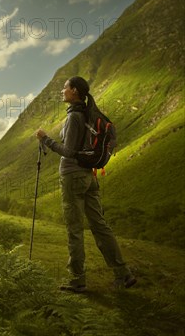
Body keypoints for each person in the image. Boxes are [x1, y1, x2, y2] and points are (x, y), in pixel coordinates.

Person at [34, 76, 136, 292]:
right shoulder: (87, 115)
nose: (62, 91)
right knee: (100, 226)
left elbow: (69, 152)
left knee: (75, 229)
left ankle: (77, 280)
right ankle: (123, 274)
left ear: (75, 91)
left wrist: (46, 140)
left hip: (73, 177)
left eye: (65, 87)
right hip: (89, 177)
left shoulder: (74, 118)